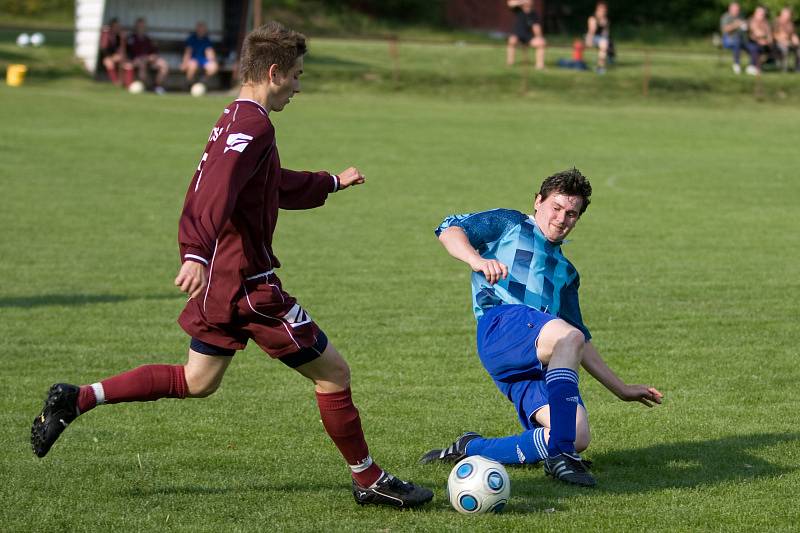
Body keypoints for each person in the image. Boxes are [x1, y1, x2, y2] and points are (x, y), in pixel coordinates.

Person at [30, 21, 433, 509]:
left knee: (196, 381)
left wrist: (329, 181)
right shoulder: (254, 123)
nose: (299, 87)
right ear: (273, 71)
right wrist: (195, 250)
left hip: (222, 283)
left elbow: (267, 183)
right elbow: (213, 186)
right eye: (297, 76)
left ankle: (79, 397)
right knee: (335, 374)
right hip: (248, 285)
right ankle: (368, 478)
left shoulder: (234, 117)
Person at [420, 168, 663, 487]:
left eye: (572, 213)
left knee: (575, 434)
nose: (562, 218)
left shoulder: (567, 273)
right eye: (556, 208)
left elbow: (580, 340)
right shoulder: (511, 224)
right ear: (538, 202)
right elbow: (448, 229)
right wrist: (476, 261)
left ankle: (471, 448)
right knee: (567, 342)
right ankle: (561, 457)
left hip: (534, 358)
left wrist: (622, 389)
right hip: (501, 325)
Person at [126, 18, 169, 94]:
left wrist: (153, 57)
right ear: (136, 27)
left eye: (143, 26)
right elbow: (128, 53)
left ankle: (157, 86)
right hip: (137, 61)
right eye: (139, 26)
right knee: (142, 63)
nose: (141, 28)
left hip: (149, 60)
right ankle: (146, 87)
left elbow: (154, 52)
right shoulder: (131, 39)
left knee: (163, 64)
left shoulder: (148, 39)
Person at [506, 0, 546, 69]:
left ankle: (539, 65)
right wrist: (522, 2)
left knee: (541, 43)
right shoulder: (518, 10)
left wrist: (539, 37)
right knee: (512, 40)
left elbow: (536, 27)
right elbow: (510, 3)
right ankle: (510, 63)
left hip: (529, 37)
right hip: (517, 35)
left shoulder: (534, 14)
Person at [181, 22, 219, 88]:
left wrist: (213, 60)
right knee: (193, 65)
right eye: (200, 29)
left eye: (203, 29)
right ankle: (189, 84)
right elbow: (188, 52)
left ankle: (202, 82)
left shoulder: (206, 39)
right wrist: (184, 62)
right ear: (197, 29)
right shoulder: (191, 38)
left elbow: (209, 52)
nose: (202, 31)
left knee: (214, 67)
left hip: (203, 60)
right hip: (193, 59)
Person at [99, 17, 131, 86]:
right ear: (111, 27)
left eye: (118, 27)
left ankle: (128, 85)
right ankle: (116, 83)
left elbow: (123, 49)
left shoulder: (119, 37)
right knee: (108, 62)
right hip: (107, 57)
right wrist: (112, 57)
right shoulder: (106, 35)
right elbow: (103, 48)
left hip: (118, 57)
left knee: (128, 65)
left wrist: (123, 38)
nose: (116, 28)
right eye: (115, 26)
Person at [720, 2, 748, 74]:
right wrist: (736, 25)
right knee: (737, 41)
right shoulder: (726, 17)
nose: (737, 11)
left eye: (738, 9)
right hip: (728, 39)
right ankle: (736, 64)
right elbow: (724, 29)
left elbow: (744, 27)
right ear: (730, 9)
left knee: (752, 45)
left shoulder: (741, 16)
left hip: (742, 39)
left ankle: (753, 65)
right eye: (735, 9)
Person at [585, 1, 613, 74]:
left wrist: (606, 37)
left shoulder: (606, 19)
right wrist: (589, 41)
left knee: (606, 42)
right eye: (601, 9)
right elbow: (591, 31)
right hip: (592, 37)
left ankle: (604, 62)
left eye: (604, 10)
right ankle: (600, 67)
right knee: (604, 43)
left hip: (602, 38)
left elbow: (606, 32)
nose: (603, 11)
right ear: (597, 9)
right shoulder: (593, 18)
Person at [746, 6, 774, 75]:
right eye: (760, 12)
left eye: (763, 13)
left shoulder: (766, 23)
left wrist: (768, 41)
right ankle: (754, 67)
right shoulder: (751, 20)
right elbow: (756, 33)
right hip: (751, 42)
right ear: (755, 13)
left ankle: (756, 66)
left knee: (771, 49)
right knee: (755, 48)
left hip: (764, 43)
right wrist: (763, 38)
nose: (762, 14)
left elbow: (769, 35)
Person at [773, 7, 799, 71]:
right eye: (785, 14)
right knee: (784, 48)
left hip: (789, 42)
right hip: (777, 42)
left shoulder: (790, 23)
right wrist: (783, 41)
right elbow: (774, 35)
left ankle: (798, 68)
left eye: (788, 14)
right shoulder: (776, 22)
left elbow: (793, 34)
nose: (787, 16)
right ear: (781, 14)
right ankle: (784, 68)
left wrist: (796, 39)